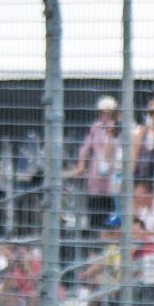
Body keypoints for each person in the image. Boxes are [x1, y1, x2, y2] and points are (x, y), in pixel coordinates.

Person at [66, 96, 122, 233]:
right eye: (102, 113)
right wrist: (81, 165)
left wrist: (110, 132)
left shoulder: (120, 128)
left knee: (112, 214)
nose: (104, 116)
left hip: (114, 177)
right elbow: (85, 148)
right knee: (95, 212)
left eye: (108, 113)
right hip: (97, 176)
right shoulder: (95, 127)